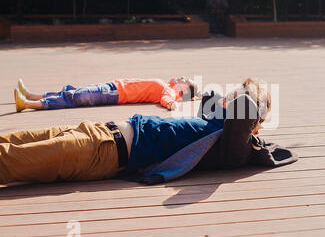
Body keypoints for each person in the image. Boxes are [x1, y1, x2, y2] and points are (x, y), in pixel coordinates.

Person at [0, 78, 298, 186]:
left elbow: (243, 112)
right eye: (236, 89)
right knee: (10, 142)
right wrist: (227, 96)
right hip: (98, 130)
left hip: (102, 152)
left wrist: (253, 99)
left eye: (241, 93)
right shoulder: (214, 127)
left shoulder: (233, 148)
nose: (234, 94)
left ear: (252, 119)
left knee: (8, 160)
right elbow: (208, 99)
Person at [13, 76, 200, 112]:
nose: (182, 76)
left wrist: (171, 104)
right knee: (74, 92)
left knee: (75, 97)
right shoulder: (168, 84)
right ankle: (31, 95)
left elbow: (166, 98)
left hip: (114, 92)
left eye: (185, 80)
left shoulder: (170, 91)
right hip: (114, 87)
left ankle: (28, 105)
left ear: (183, 90)